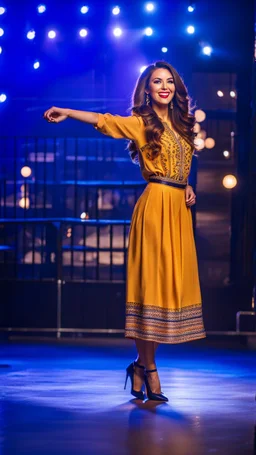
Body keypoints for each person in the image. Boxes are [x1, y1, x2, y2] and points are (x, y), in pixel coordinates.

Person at [44, 60, 206, 402]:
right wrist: (68, 112)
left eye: (169, 82)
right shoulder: (141, 123)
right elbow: (105, 121)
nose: (164, 86)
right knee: (150, 289)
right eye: (157, 82)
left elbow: (180, 163)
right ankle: (150, 371)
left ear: (175, 88)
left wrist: (187, 185)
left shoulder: (181, 124)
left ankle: (139, 365)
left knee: (166, 290)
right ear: (147, 89)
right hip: (155, 208)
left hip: (178, 209)